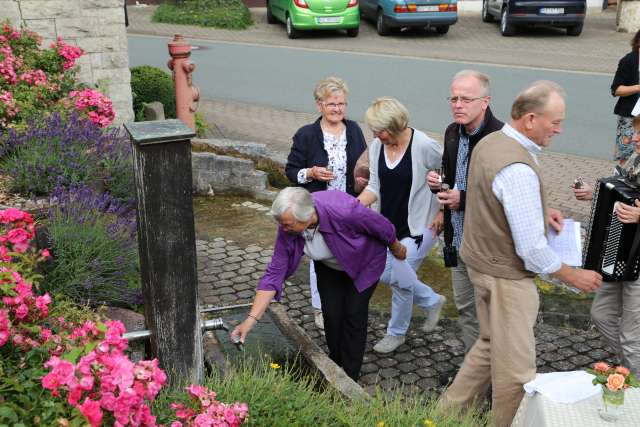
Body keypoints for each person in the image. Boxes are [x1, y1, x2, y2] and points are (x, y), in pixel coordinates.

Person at [439, 81, 603, 427]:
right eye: (555, 122)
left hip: (480, 267)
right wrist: (573, 276)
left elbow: (491, 198)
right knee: (516, 375)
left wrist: (540, 211)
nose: (559, 129)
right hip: (507, 281)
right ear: (530, 119)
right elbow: (531, 251)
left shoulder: (492, 142)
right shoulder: (517, 167)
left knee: (486, 346)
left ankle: (443, 416)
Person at [231, 187, 406, 381]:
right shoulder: (288, 226)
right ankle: (335, 362)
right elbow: (274, 273)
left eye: (288, 225)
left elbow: (383, 227)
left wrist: (397, 248)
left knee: (353, 314)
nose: (283, 229)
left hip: (364, 264)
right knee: (331, 314)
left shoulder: (345, 210)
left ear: (306, 218)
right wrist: (250, 320)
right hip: (329, 265)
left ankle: (349, 376)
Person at [357, 97, 446, 354]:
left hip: (421, 227)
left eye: (380, 130)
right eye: (374, 130)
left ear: (396, 124)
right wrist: (354, 208)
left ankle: (396, 333)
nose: (376, 135)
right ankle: (431, 300)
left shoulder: (425, 146)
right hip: (387, 225)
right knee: (392, 275)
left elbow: (448, 175)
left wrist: (442, 211)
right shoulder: (377, 147)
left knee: (399, 273)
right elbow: (374, 185)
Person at [426, 70, 504, 353]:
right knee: (467, 309)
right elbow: (451, 176)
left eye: (466, 99)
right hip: (457, 239)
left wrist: (465, 199)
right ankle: (475, 376)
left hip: (486, 247)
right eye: (454, 98)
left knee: (491, 314)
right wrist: (437, 181)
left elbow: (506, 197)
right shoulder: (451, 132)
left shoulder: (500, 139)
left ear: (485, 102)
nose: (458, 104)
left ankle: (498, 374)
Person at [284, 77, 367, 331]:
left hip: (349, 207)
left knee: (349, 253)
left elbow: (364, 163)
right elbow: (291, 171)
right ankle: (321, 308)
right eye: (332, 104)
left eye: (342, 104)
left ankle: (346, 303)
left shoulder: (353, 130)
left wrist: (364, 179)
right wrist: (311, 173)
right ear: (319, 105)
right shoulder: (307, 135)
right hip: (317, 209)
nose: (338, 109)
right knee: (320, 257)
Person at [573, 115, 640, 375]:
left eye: (639, 133)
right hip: (619, 254)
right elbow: (619, 195)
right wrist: (596, 194)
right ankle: (631, 370)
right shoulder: (634, 162)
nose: (633, 137)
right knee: (601, 314)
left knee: (632, 335)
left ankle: (634, 395)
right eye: (634, 131)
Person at [611, 30, 640, 165]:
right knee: (626, 156)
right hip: (629, 117)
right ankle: (620, 183)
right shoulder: (628, 61)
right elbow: (616, 89)